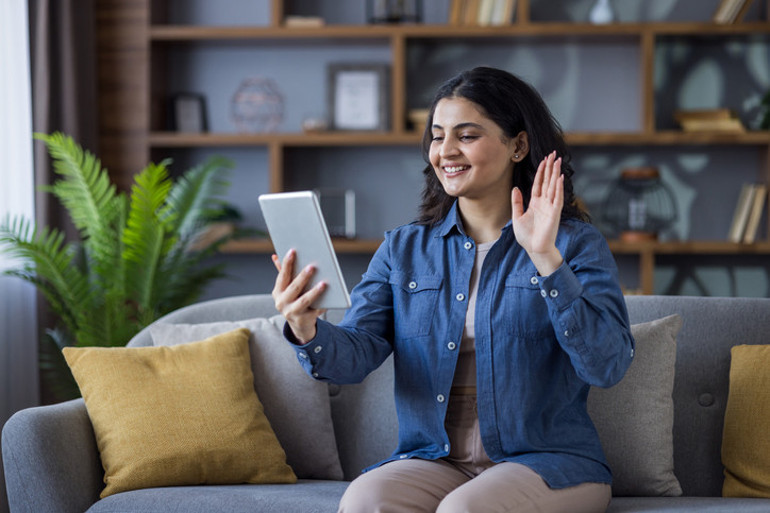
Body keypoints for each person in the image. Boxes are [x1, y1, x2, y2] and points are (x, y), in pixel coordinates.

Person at [271, 66, 635, 513]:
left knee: (464, 510)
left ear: (518, 145)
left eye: (466, 135)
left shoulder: (573, 244)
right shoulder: (403, 248)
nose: (445, 151)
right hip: (435, 458)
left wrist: (545, 259)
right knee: (365, 501)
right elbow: (356, 355)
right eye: (437, 136)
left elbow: (607, 365)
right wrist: (306, 328)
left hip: (547, 463)